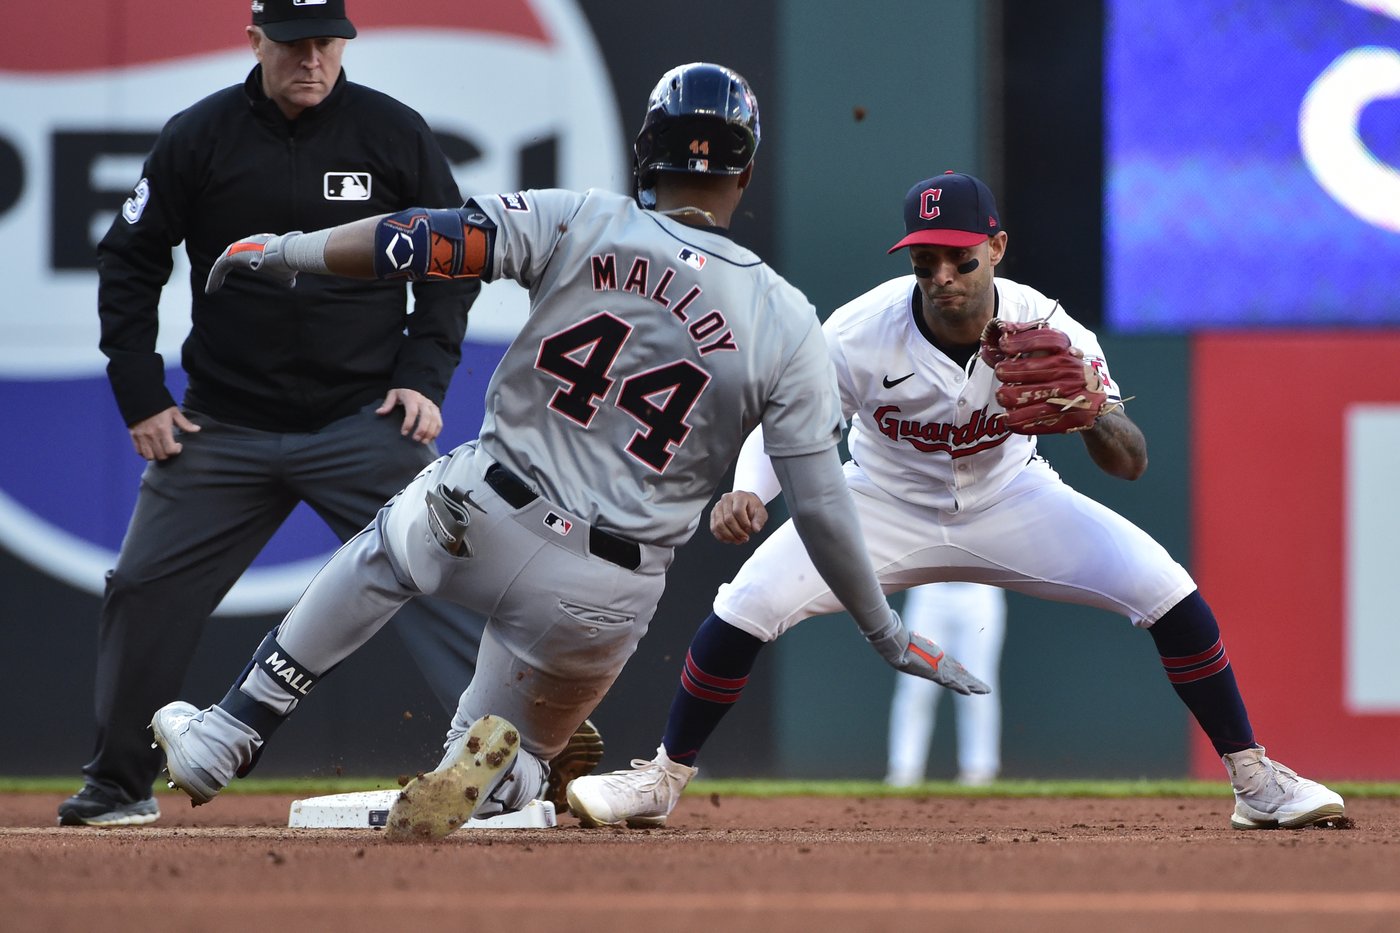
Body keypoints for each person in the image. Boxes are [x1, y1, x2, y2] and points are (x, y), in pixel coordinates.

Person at [146, 62, 990, 842]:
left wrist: (290, 250)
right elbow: (822, 505)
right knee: (509, 757)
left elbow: (419, 239)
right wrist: (882, 627)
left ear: (646, 150)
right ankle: (507, 775)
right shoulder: (786, 318)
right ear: (745, 172)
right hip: (606, 591)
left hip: (482, 512)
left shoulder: (583, 218)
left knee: (386, 551)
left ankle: (230, 732)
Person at [565, 171, 1345, 833]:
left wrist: (1091, 414)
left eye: (960, 259)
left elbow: (1131, 462)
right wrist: (747, 489)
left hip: (1012, 498)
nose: (942, 276)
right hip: (881, 503)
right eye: (925, 260)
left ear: (997, 248)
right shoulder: (860, 332)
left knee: (1168, 589)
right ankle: (661, 780)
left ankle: (1254, 781)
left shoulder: (1048, 326)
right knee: (745, 605)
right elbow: (787, 427)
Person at [57, 0, 493, 827]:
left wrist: (424, 376)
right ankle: (118, 784)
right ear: (255, 40)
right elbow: (129, 258)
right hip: (224, 424)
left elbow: (454, 259)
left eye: (327, 42)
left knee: (454, 569)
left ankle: (518, 755)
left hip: (362, 421)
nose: (312, 59)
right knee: (144, 586)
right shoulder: (200, 136)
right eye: (293, 43)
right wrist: (141, 395)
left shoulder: (392, 133)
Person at [886, 581, 1006, 787]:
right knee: (915, 688)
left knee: (978, 687)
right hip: (929, 591)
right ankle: (904, 770)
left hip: (979, 592)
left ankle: (979, 770)